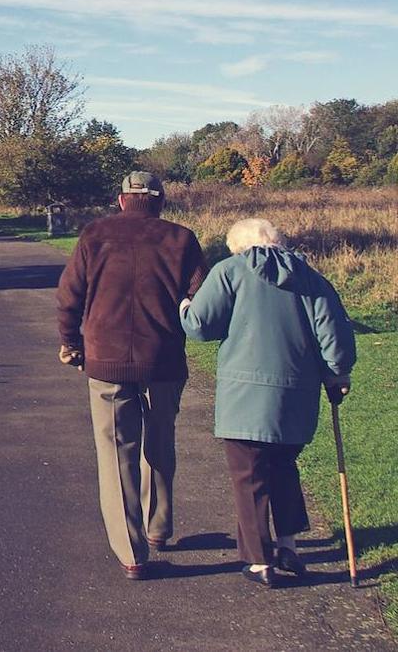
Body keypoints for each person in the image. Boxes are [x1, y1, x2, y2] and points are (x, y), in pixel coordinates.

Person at [180, 218, 355, 587]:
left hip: (244, 397)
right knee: (283, 467)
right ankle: (288, 545)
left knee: (249, 476)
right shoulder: (311, 278)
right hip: (297, 396)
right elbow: (334, 338)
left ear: (238, 247)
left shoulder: (230, 271)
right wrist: (338, 374)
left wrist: (184, 306)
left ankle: (260, 561)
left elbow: (199, 326)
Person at [57, 171, 206, 580]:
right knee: (160, 443)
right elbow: (200, 298)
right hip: (164, 360)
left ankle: (132, 553)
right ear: (160, 201)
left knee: (116, 453)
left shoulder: (95, 234)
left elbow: (69, 294)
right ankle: (158, 527)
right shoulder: (182, 239)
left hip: (106, 360)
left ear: (121, 199)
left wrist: (70, 342)